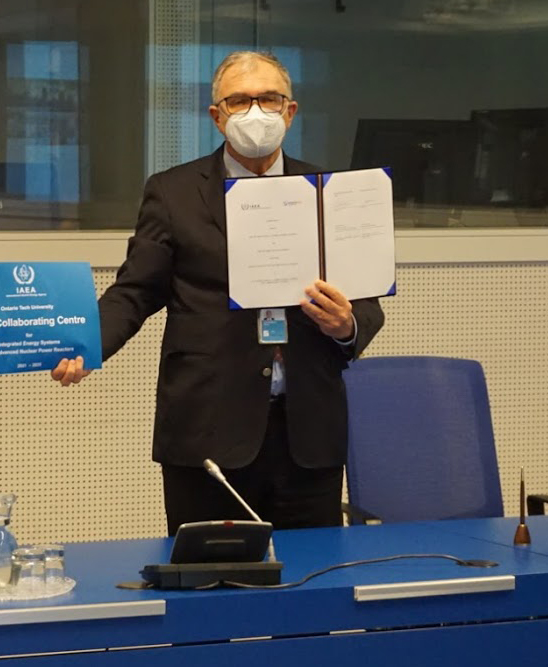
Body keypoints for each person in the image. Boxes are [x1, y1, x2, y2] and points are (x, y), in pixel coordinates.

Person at [52, 51, 385, 535]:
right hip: (208, 431)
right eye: (240, 101)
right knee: (210, 586)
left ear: (290, 111)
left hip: (308, 435)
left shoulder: (329, 193)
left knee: (309, 590)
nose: (256, 112)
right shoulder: (173, 192)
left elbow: (366, 301)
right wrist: (87, 343)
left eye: (269, 99)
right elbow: (134, 292)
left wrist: (348, 324)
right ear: (217, 116)